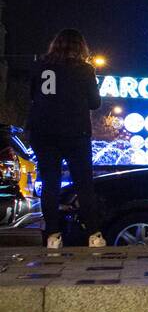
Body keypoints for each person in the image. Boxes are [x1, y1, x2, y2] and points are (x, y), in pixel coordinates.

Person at [28, 29, 106, 248]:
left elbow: (34, 96)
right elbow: (94, 103)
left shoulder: (40, 66)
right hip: (75, 133)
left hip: (43, 133)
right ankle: (94, 234)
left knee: (50, 184)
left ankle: (53, 235)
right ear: (81, 47)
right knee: (84, 184)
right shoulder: (84, 70)